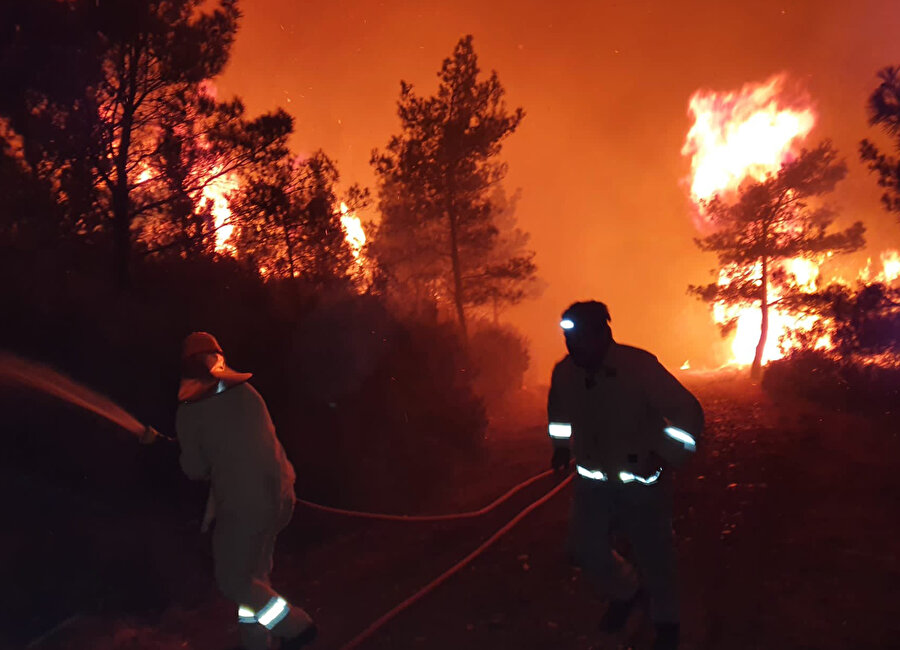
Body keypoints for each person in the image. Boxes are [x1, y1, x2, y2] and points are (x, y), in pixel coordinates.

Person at [547, 302, 704, 650]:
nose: (573, 348)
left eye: (581, 339)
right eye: (568, 340)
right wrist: (560, 446)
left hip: (641, 485)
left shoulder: (639, 367)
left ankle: (666, 625)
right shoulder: (566, 372)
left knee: (655, 555)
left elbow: (687, 412)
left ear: (604, 333)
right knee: (586, 549)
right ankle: (627, 592)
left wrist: (666, 456)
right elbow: (558, 411)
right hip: (592, 483)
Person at [174, 332, 317, 650]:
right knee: (254, 580)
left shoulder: (191, 410)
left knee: (234, 580)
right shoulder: (248, 392)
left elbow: (195, 469)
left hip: (244, 505)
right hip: (281, 495)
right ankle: (256, 643)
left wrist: (184, 450)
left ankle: (296, 627)